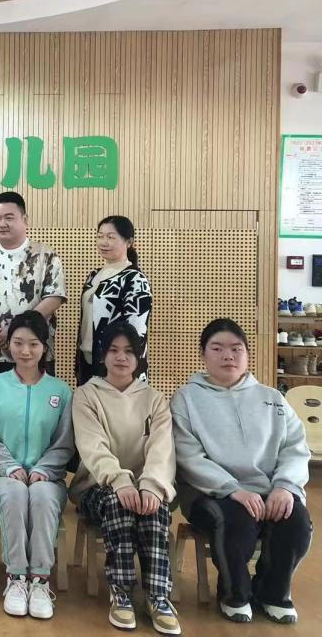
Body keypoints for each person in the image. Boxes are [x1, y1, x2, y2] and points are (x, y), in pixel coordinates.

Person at [172, 319, 312, 625]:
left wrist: (285, 486)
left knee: (296, 520)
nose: (228, 356)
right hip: (210, 492)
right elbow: (188, 456)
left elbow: (295, 448)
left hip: (269, 489)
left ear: (247, 354)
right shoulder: (186, 398)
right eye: (217, 349)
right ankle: (234, 594)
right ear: (203, 354)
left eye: (236, 349)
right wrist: (232, 489)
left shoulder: (272, 398)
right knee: (236, 520)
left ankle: (273, 593)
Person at [69, 323, 180, 634]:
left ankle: (158, 596)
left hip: (145, 487)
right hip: (97, 487)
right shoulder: (86, 395)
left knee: (154, 508)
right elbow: (92, 446)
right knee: (120, 504)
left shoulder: (155, 399)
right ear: (102, 355)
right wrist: (120, 481)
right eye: (114, 350)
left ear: (139, 356)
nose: (121, 357)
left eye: (129, 351)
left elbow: (162, 448)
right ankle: (121, 593)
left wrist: (151, 486)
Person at [0, 310, 74, 620]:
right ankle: (17, 577)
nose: (25, 351)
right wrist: (8, 467)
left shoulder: (61, 392)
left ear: (45, 347)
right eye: (18, 343)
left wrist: (44, 469)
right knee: (15, 493)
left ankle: (40, 580)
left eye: (33, 344)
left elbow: (64, 443)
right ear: (9, 346)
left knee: (42, 496)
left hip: (48, 479)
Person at [0, 192, 66, 379]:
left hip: (36, 352)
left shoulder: (46, 255)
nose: (1, 223)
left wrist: (14, 329)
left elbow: (54, 297)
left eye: (9, 218)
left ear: (24, 220)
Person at [75, 216, 152, 385]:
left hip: (118, 363)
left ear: (129, 242)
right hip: (87, 359)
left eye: (111, 237)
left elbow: (137, 330)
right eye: (100, 236)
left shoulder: (134, 278)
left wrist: (123, 360)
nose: (104, 242)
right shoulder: (94, 275)